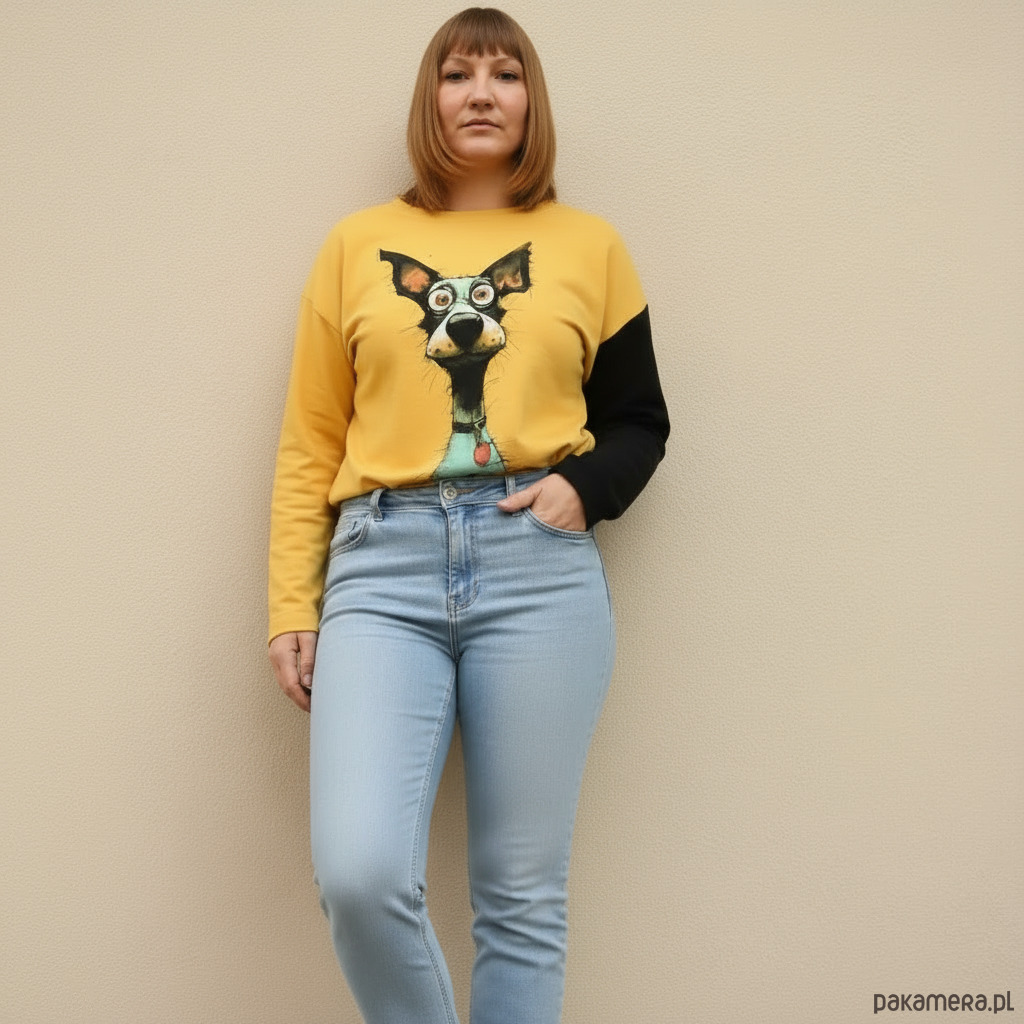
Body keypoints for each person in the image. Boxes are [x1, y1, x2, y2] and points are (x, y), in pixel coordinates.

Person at [267, 8, 669, 1023]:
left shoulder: (589, 245)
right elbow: (311, 439)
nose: (481, 93)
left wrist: (582, 490)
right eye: (457, 74)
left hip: (538, 566)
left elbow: (639, 421)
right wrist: (291, 603)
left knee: (521, 901)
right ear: (430, 99)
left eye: (504, 73)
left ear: (532, 99)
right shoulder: (358, 245)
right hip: (380, 566)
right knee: (359, 873)